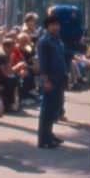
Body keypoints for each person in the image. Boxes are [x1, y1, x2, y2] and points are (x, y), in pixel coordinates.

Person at [36, 13, 67, 149]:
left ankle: (49, 134)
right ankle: (43, 139)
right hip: (50, 80)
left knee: (55, 108)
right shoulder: (44, 42)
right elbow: (43, 64)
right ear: (47, 26)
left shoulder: (57, 40)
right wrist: (45, 80)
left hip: (59, 78)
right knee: (47, 110)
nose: (55, 27)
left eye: (57, 25)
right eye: (52, 25)